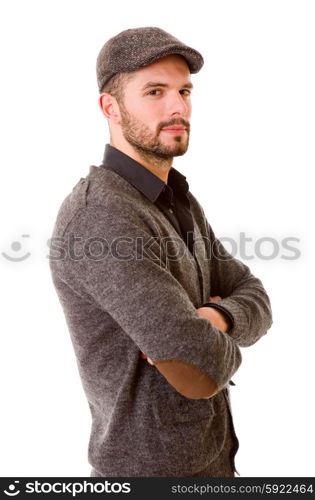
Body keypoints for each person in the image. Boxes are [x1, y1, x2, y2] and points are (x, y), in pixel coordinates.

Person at [49, 27, 273, 477]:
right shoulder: (102, 218)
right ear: (109, 107)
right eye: (155, 91)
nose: (178, 108)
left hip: (215, 462)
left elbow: (255, 294)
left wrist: (217, 319)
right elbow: (198, 365)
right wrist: (206, 337)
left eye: (184, 91)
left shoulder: (175, 197)